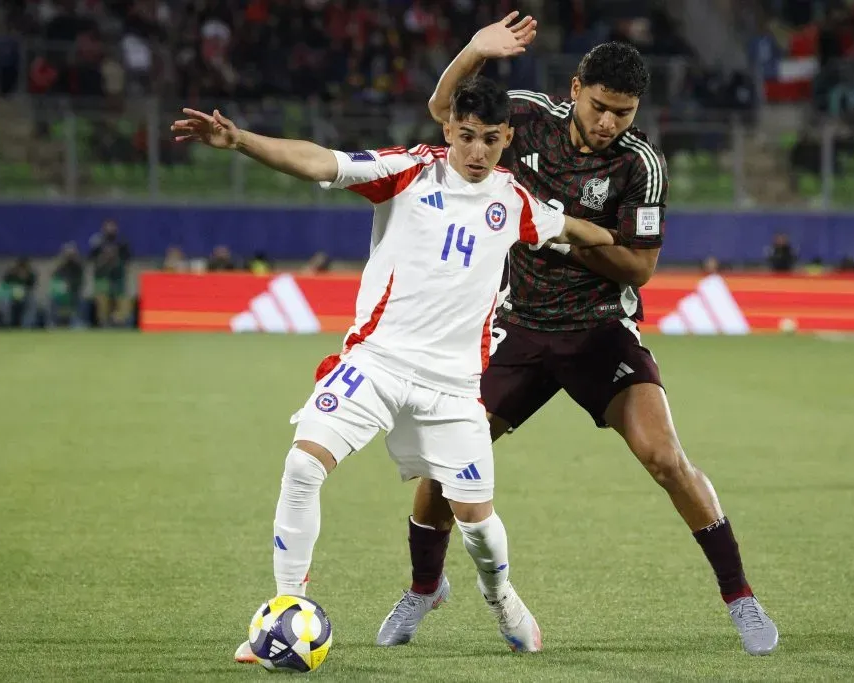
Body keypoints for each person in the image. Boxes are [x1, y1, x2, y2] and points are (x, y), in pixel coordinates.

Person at [170, 75, 616, 660]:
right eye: (465, 136)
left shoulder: (513, 201)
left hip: (455, 387)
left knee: (476, 522)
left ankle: (501, 596)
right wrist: (240, 141)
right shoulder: (406, 171)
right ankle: (284, 612)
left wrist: (615, 240)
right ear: (447, 130)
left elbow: (568, 228)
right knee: (303, 464)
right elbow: (318, 162)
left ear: (507, 136)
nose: (476, 151)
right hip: (376, 363)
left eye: (489, 138)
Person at [376, 14, 779, 657]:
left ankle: (740, 596)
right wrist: (475, 51)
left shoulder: (640, 163)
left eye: (623, 112)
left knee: (664, 457)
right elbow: (444, 109)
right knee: (444, 463)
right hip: (515, 324)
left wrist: (553, 228)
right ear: (575, 89)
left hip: (598, 331)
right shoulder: (528, 117)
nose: (608, 123)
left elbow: (639, 266)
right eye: (599, 107)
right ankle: (425, 586)